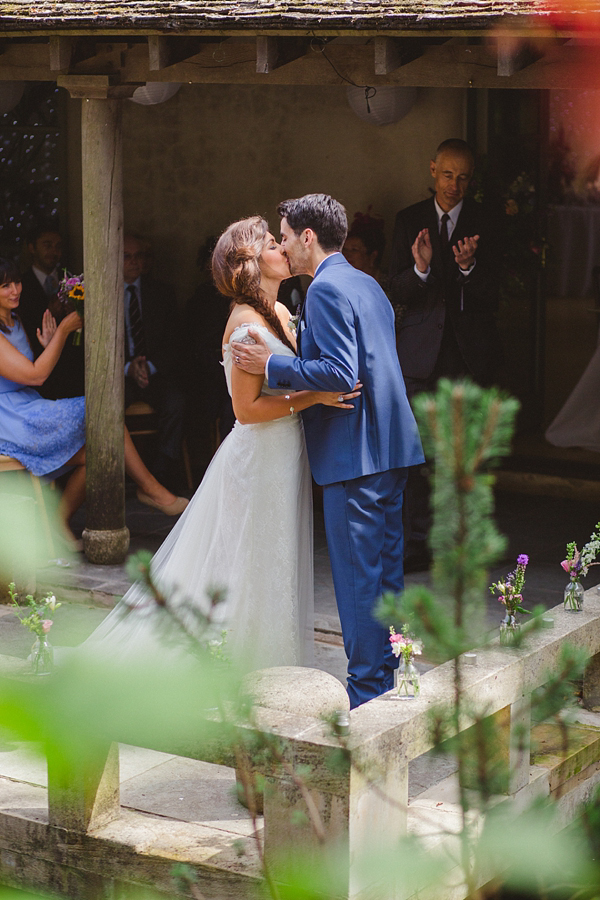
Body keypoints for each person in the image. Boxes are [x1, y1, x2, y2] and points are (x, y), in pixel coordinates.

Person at [83, 217, 358, 672]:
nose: (283, 248)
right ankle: (231, 667)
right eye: (273, 243)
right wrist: (314, 397)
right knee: (245, 561)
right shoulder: (244, 324)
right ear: (250, 263)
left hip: (285, 453)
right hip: (257, 458)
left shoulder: (285, 312)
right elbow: (246, 410)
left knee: (275, 560)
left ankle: (271, 666)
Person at [232, 194, 424, 708]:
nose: (283, 244)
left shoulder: (324, 290)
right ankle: (391, 687)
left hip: (354, 455)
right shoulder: (366, 283)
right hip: (389, 450)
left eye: (285, 235)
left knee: (361, 585)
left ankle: (366, 699)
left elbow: (342, 373)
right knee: (386, 578)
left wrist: (270, 367)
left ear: (307, 237)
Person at [0, 258, 187, 550]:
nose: (15, 290)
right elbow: (35, 376)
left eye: (16, 282)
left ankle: (58, 519)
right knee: (100, 408)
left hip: (29, 407)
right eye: (5, 286)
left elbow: (27, 370)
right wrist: (63, 332)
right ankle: (150, 489)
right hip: (12, 419)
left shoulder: (15, 318)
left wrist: (49, 345)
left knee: (100, 450)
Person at [388, 139, 499, 573]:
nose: (455, 185)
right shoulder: (409, 220)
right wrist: (420, 269)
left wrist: (470, 268)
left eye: (464, 177)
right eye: (448, 175)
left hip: (466, 357)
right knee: (414, 459)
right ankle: (415, 544)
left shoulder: (485, 222)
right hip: (417, 358)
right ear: (433, 170)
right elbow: (396, 288)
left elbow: (495, 295)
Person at [123, 234, 187, 491]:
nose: (134, 262)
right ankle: (123, 471)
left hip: (155, 372)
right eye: (127, 256)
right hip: (120, 376)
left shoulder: (161, 292)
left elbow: (175, 341)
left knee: (177, 401)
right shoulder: (102, 294)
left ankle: (161, 471)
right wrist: (129, 368)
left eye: (138, 256)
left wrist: (148, 367)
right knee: (104, 408)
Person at [18, 221, 85, 400]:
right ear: (32, 248)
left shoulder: (73, 280)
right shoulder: (19, 285)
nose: (53, 251)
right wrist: (49, 313)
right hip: (40, 373)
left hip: (76, 370)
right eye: (47, 245)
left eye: (58, 246)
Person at [343, 210, 386, 283]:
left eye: (354, 249)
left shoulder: (390, 285)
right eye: (344, 249)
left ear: (373, 256)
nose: (346, 254)